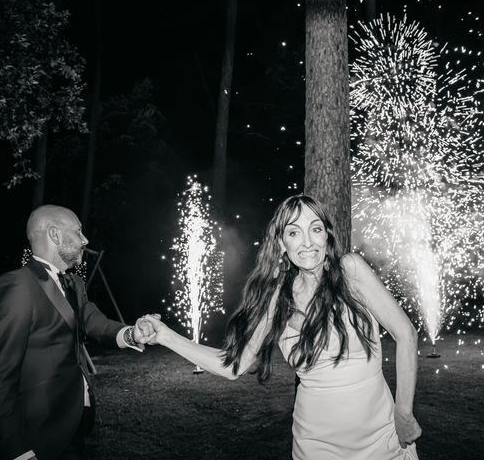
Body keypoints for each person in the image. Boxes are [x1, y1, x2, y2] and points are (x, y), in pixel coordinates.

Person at [144, 194, 421, 459]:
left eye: (315, 229)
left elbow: (405, 334)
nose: (307, 242)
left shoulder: (351, 270)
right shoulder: (277, 297)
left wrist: (403, 413)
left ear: (327, 235)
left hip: (380, 438)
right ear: (281, 243)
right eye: (293, 232)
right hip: (315, 444)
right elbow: (233, 366)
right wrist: (166, 336)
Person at [0, 205, 156, 460]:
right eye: (78, 231)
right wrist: (16, 451)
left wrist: (133, 334)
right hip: (37, 436)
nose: (85, 240)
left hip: (77, 425)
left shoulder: (74, 283)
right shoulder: (18, 285)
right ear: (55, 234)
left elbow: (97, 324)